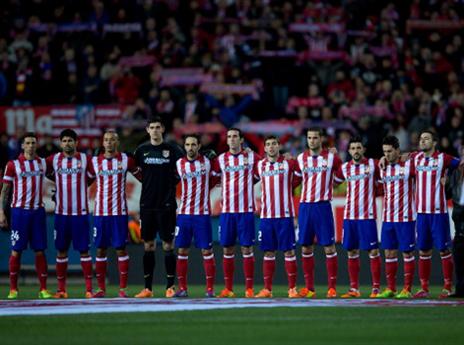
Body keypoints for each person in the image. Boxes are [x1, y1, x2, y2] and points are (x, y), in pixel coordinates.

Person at [133, 117, 183, 298]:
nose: (154, 130)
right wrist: (147, 182)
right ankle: (148, 289)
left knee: (168, 245)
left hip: (167, 204)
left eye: (157, 127)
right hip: (147, 204)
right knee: (148, 245)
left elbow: (182, 170)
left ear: (162, 129)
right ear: (147, 130)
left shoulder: (173, 150)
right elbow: (135, 170)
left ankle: (170, 286)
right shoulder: (141, 150)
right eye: (151, 127)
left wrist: (171, 184)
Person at [88, 130, 141, 298]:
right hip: (100, 213)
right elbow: (85, 181)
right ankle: (101, 289)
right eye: (106, 140)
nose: (109, 142)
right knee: (101, 250)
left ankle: (123, 289)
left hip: (119, 212)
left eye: (112, 140)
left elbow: (142, 176)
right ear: (102, 143)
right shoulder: (95, 162)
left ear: (116, 142)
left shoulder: (126, 160)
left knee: (120, 249)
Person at [0, 132, 52, 299]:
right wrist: (1, 212)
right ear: (22, 146)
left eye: (33, 143)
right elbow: (5, 191)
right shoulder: (13, 165)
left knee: (40, 251)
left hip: (37, 212)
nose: (31, 146)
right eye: (28, 143)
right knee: (16, 251)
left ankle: (43, 289)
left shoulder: (42, 164)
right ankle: (13, 289)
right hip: (19, 213)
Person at [412, 130, 463, 298]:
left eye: (426, 139)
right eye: (421, 139)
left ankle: (447, 286)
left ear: (434, 142)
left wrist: (450, 181)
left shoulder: (443, 158)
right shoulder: (415, 158)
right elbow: (399, 158)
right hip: (421, 214)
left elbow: (460, 164)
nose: (423, 141)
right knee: (424, 251)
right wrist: (384, 158)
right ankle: (424, 288)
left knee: (443, 250)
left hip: (439, 213)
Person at [211, 128, 260, 298]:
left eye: (235, 137)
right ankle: (228, 289)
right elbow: (213, 177)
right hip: (227, 212)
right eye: (229, 137)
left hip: (245, 211)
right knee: (227, 249)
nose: (231, 139)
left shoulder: (252, 157)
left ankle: (249, 289)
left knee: (247, 249)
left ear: (241, 140)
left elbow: (267, 166)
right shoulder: (221, 159)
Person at [295, 127, 342, 298]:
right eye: (309, 137)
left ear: (321, 139)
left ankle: (332, 288)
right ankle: (309, 288)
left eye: (315, 137)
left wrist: (332, 184)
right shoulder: (300, 158)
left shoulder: (331, 158)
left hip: (322, 206)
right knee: (306, 247)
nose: (312, 140)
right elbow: (294, 178)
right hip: (305, 207)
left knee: (329, 247)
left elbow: (342, 174)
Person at [46, 129, 93, 298]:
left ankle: (89, 290)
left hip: (80, 214)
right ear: (60, 143)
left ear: (76, 142)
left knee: (84, 252)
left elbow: (92, 176)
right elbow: (44, 170)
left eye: (70, 140)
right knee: (61, 251)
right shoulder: (54, 159)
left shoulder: (85, 159)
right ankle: (61, 290)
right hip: (61, 214)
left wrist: (83, 185)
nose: (67, 143)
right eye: (64, 141)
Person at [334, 137, 382, 298]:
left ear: (363, 150)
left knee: (373, 251)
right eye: (353, 148)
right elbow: (332, 181)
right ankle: (354, 289)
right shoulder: (345, 168)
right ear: (349, 151)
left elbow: (387, 167)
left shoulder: (373, 165)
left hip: (367, 216)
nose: (355, 150)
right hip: (349, 216)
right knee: (351, 251)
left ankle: (376, 288)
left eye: (358, 147)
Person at [254, 136, 301, 298]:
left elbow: (301, 176)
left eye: (274, 144)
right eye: (268, 144)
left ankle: (292, 289)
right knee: (268, 253)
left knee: (289, 252)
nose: (271, 147)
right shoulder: (260, 165)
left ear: (279, 146)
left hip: (285, 215)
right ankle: (267, 289)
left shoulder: (289, 163)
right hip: (267, 216)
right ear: (265, 148)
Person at [173, 134, 216, 298]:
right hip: (184, 214)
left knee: (207, 251)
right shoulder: (179, 164)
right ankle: (182, 288)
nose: (190, 148)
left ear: (199, 146)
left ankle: (210, 290)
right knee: (182, 250)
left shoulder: (208, 162)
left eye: (193, 144)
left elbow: (217, 178)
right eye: (187, 145)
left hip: (202, 215)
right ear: (184, 146)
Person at [377, 135, 417, 299]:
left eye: (390, 151)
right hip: (388, 218)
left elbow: (425, 156)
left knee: (407, 253)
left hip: (406, 217)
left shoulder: (409, 165)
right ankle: (391, 288)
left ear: (397, 150)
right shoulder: (382, 167)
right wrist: (381, 158)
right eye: (384, 152)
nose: (387, 155)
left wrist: (409, 154)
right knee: (389, 253)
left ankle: (407, 289)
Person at [446, 155, 464, 297]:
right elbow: (448, 194)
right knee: (458, 257)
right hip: (459, 221)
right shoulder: (456, 174)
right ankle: (460, 289)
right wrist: (445, 183)